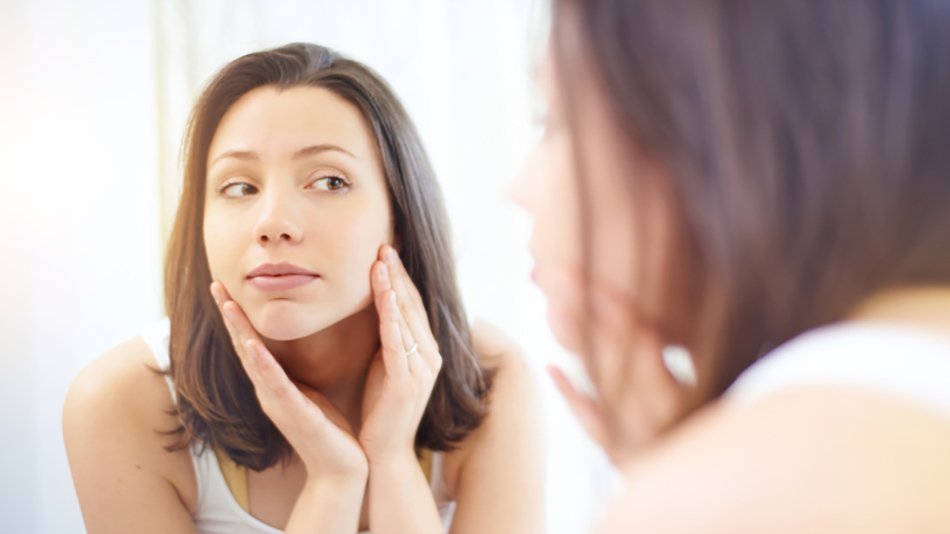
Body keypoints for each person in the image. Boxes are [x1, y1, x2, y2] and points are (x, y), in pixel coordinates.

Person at [64, 42, 543, 534]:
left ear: (400, 216)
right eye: (239, 187)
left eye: (329, 181)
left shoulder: (491, 381)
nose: (273, 223)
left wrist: (392, 459)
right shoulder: (120, 403)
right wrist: (334, 482)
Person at [512, 1, 950, 531]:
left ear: (698, 126)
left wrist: (678, 489)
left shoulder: (737, 496)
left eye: (552, 122)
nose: (516, 189)